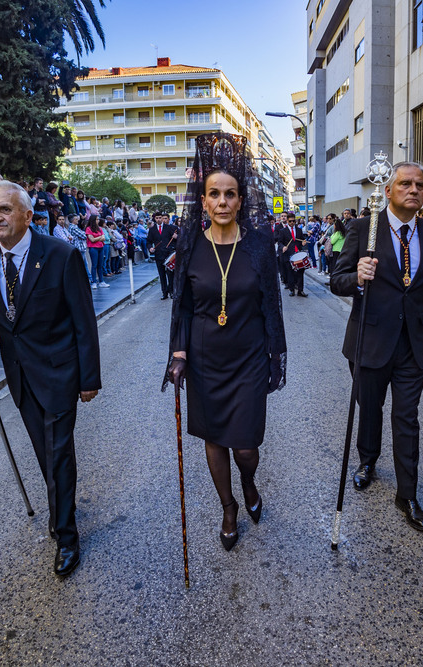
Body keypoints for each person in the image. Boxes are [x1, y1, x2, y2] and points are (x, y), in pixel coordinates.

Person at [0, 181, 101, 577]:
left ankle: (66, 535)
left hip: (59, 373)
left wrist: (90, 379)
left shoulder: (60, 254)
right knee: (44, 451)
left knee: (57, 452)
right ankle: (61, 503)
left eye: (4, 210)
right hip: (19, 374)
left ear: (25, 214)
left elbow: (84, 323)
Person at [166, 132, 286, 550]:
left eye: (229, 194)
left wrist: (275, 354)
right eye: (213, 194)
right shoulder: (190, 244)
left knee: (246, 447)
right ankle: (228, 505)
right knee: (215, 438)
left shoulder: (258, 246)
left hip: (249, 357)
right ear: (203, 201)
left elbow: (272, 305)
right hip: (204, 360)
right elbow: (181, 303)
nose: (221, 201)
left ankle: (249, 484)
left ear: (240, 200)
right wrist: (178, 351)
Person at [330, 162, 423, 531]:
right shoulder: (364, 228)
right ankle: (367, 460)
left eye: (420, 184)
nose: (414, 190)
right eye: (405, 184)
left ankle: (407, 493)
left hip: (412, 345)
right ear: (389, 190)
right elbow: (337, 279)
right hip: (371, 339)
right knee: (370, 408)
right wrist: (357, 277)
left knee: (407, 417)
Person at [147, 210, 177, 298]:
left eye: (160, 218)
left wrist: (176, 237)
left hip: (168, 254)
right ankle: (164, 293)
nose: (159, 219)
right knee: (161, 275)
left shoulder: (169, 228)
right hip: (158, 254)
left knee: (170, 274)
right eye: (157, 218)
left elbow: (176, 238)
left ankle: (171, 291)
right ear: (155, 219)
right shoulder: (152, 230)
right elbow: (148, 241)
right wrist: (150, 248)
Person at [278, 211, 308, 297]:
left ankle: (300, 290)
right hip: (288, 254)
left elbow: (302, 240)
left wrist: (304, 242)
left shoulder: (299, 230)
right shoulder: (282, 231)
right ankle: (291, 290)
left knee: (300, 272)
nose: (292, 223)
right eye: (290, 221)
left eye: (293, 221)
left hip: (298, 254)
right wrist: (283, 247)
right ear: (287, 221)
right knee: (290, 273)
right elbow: (280, 242)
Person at [85, 216, 109, 288]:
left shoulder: (100, 228)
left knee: (100, 265)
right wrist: (99, 238)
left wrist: (96, 238)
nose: (98, 221)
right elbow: (92, 240)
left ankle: (101, 281)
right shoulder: (88, 228)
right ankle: (94, 282)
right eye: (97, 219)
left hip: (101, 247)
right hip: (93, 248)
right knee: (94, 265)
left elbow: (104, 238)